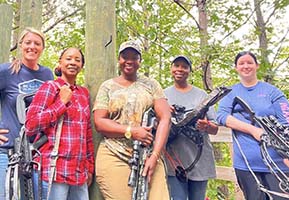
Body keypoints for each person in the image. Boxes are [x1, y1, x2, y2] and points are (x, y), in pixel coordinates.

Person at [93, 40, 171, 200]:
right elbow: (99, 122)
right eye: (125, 56)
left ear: (139, 61)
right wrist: (131, 132)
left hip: (148, 154)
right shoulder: (107, 86)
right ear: (119, 59)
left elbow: (165, 118)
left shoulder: (151, 85)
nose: (129, 61)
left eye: (134, 57)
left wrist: (155, 156)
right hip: (114, 154)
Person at [217, 51, 289, 200]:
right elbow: (222, 116)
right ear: (236, 68)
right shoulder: (230, 93)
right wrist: (253, 130)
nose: (246, 66)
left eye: (249, 62)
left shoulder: (272, 92)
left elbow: (286, 121)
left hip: (277, 164)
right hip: (246, 164)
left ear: (257, 66)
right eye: (241, 63)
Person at [25, 47, 95, 200]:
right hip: (54, 169)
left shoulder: (83, 93)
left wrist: (89, 167)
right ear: (60, 63)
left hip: (78, 172)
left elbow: (87, 132)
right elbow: (30, 125)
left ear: (82, 66)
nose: (73, 63)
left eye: (77, 60)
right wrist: (61, 103)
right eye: (68, 58)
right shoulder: (50, 87)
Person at [0, 27, 54, 199]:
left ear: (42, 48)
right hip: (8, 151)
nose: (32, 47)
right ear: (20, 45)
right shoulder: (7, 71)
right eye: (28, 42)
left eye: (37, 43)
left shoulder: (47, 74)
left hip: (37, 152)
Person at [164, 55, 218, 200]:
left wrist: (206, 126)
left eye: (184, 66)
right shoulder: (163, 95)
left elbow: (215, 128)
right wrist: (164, 114)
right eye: (176, 66)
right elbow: (157, 126)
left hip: (199, 159)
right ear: (171, 69)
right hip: (174, 162)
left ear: (189, 70)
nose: (180, 69)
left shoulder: (201, 95)